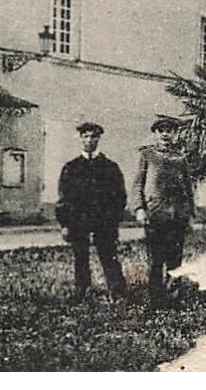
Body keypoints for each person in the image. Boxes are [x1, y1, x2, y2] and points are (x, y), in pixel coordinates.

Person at [56, 121, 128, 302]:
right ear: (80, 139)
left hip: (104, 221)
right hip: (78, 220)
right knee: (80, 257)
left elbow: (120, 196)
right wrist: (65, 224)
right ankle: (82, 292)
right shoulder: (71, 168)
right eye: (85, 136)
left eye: (93, 136)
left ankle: (117, 292)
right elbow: (64, 198)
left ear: (99, 138)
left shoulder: (110, 167)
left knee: (109, 255)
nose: (89, 140)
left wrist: (113, 220)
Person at [134, 116, 195, 309]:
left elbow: (188, 188)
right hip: (155, 215)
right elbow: (138, 184)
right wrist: (139, 208)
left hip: (177, 216)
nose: (166, 134)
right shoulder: (147, 155)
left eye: (170, 130)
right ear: (156, 133)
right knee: (155, 259)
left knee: (175, 259)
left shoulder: (181, 158)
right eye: (162, 130)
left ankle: (174, 298)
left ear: (175, 134)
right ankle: (156, 299)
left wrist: (190, 214)